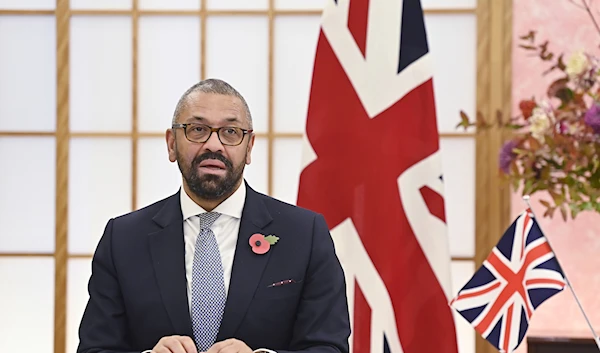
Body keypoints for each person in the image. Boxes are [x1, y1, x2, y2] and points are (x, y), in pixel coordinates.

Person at [76, 78, 351, 353]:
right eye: (197, 130)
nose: (214, 145)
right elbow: (95, 348)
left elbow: (329, 346)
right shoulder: (123, 240)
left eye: (231, 131)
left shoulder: (304, 235)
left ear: (249, 147)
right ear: (171, 144)